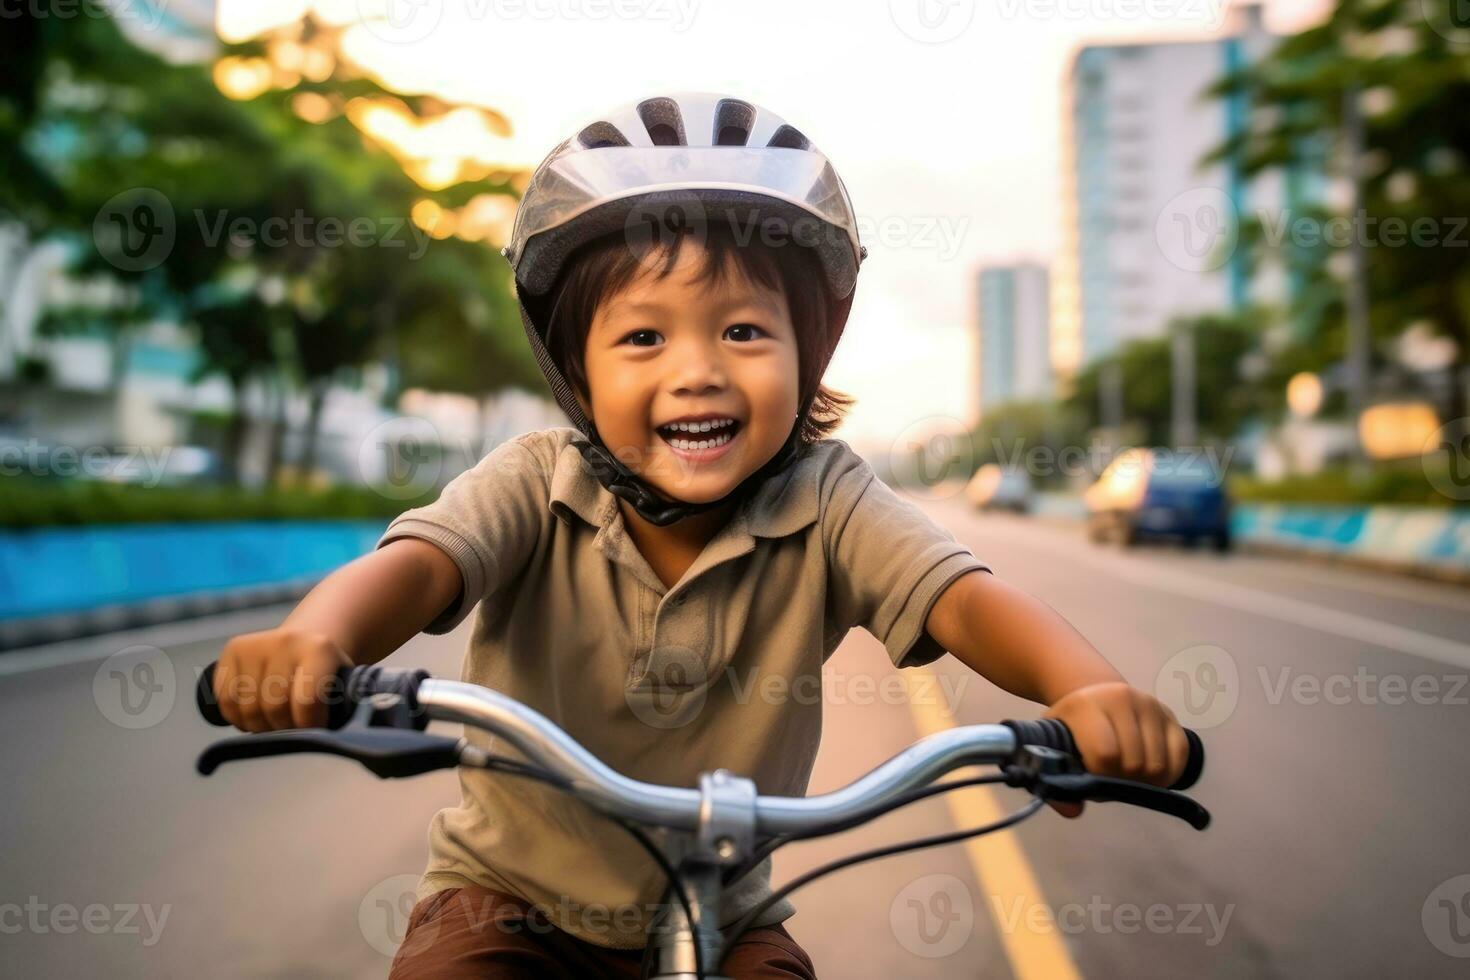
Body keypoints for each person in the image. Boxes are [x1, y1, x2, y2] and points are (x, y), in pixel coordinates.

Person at [210, 93, 1193, 979]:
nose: (698, 371)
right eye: (644, 337)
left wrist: (1088, 690)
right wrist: (314, 642)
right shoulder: (531, 481)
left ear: (809, 353)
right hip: (509, 901)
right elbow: (415, 568)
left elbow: (968, 598)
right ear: (576, 370)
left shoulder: (832, 499)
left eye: (744, 332)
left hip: (726, 902)